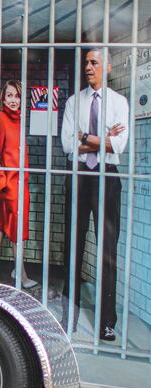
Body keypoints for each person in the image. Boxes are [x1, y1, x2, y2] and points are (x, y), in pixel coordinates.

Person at [60, 48, 128, 341]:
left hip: (107, 180)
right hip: (78, 177)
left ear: (107, 67)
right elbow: (66, 144)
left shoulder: (119, 102)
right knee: (72, 247)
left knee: (108, 253)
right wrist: (103, 140)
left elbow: (119, 146)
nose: (88, 67)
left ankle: (106, 322)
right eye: (86, 62)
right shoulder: (74, 102)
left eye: (94, 62)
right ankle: (68, 316)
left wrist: (85, 138)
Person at [0, 81, 37, 289]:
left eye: (17, 96)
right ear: (3, 98)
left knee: (2, 228)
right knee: (16, 230)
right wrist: (3, 185)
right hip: (8, 187)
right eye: (10, 96)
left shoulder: (19, 121)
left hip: (19, 184)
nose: (14, 100)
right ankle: (20, 275)